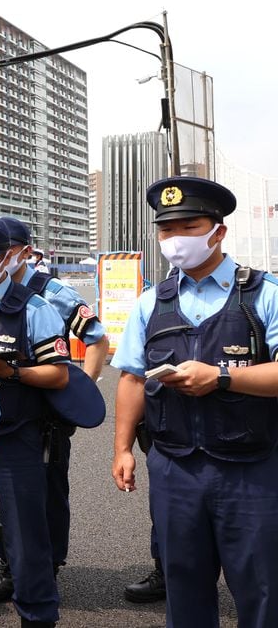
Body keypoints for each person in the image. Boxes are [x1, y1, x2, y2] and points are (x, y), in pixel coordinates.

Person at [111, 176, 278, 628]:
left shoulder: (263, 295)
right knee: (183, 585)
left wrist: (221, 377)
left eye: (189, 226)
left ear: (218, 231)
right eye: (167, 230)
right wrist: (122, 448)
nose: (176, 239)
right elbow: (130, 377)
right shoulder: (151, 304)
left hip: (251, 467)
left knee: (262, 587)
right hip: (175, 466)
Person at [0, 216, 112, 602]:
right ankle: (8, 563)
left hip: (44, 414)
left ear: (22, 253)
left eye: (8, 250)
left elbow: (97, 340)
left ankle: (45, 565)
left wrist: (78, 392)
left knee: (45, 493)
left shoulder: (49, 294)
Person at [0, 215, 69, 628]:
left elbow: (59, 374)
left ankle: (37, 615)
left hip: (15, 440)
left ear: (7, 257)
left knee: (25, 543)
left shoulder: (34, 309)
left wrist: (12, 372)